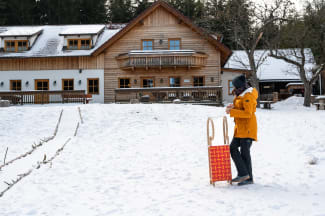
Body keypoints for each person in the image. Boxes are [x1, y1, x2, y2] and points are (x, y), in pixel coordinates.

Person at [226, 74, 258, 186]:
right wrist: (232, 108)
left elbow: (248, 113)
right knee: (233, 148)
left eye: (236, 87)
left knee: (245, 153)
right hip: (240, 129)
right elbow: (241, 108)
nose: (234, 89)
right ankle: (245, 175)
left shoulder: (248, 96)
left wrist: (232, 112)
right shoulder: (241, 94)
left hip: (248, 129)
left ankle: (247, 177)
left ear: (241, 86)